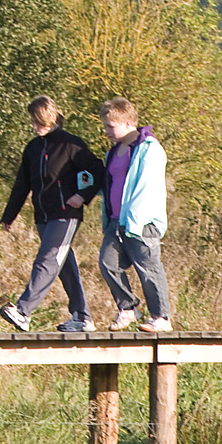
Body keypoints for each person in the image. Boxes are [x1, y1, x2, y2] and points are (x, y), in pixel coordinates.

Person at [0, 96, 104, 332]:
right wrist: (9, 216)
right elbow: (21, 184)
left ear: (51, 118)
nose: (35, 127)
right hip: (43, 216)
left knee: (47, 260)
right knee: (64, 265)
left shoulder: (71, 144)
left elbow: (98, 171)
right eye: (33, 122)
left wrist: (82, 195)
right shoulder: (33, 148)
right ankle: (82, 317)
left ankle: (23, 311)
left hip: (66, 214)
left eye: (39, 122)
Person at [97, 97, 173, 333]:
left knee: (148, 268)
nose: (107, 131)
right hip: (115, 221)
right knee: (107, 263)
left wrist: (135, 221)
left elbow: (146, 188)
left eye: (111, 126)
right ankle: (128, 307)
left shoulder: (149, 148)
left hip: (141, 223)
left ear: (128, 121)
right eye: (105, 126)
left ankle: (161, 317)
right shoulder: (114, 152)